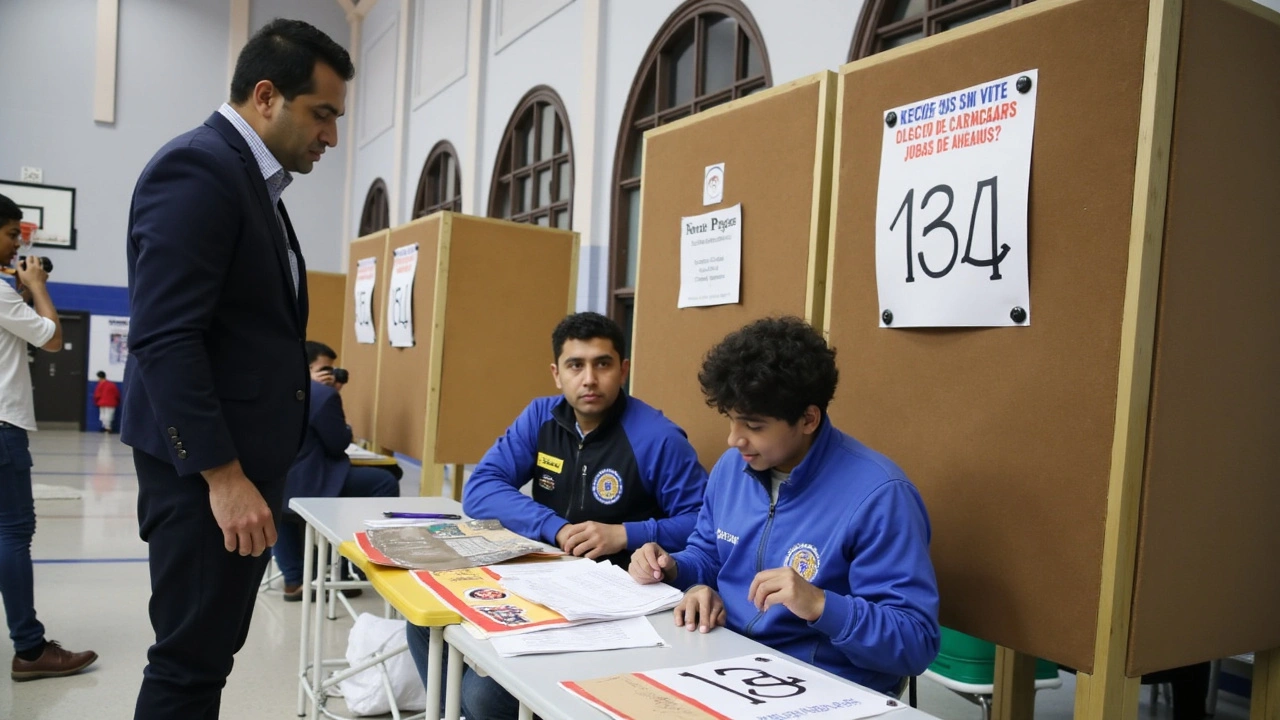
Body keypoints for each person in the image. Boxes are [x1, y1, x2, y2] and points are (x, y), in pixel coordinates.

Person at [120, 19, 352, 719]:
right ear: (265, 96)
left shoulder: (252, 184)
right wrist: (222, 476)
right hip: (208, 480)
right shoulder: (199, 168)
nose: (331, 137)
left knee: (208, 657)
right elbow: (164, 337)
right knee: (187, 664)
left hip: (241, 475)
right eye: (323, 114)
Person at [408, 311, 708, 720]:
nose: (589, 378)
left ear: (623, 370)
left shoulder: (658, 437)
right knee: (424, 624)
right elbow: (481, 488)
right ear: (556, 373)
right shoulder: (540, 416)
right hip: (545, 579)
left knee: (483, 697)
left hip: (621, 595)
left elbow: (704, 522)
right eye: (575, 365)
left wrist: (626, 534)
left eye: (602, 364)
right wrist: (555, 526)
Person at [629, 317, 940, 696]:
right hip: (727, 664)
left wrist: (819, 605)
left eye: (754, 426)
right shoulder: (733, 468)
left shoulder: (881, 495)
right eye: (731, 420)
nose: (734, 439)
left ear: (808, 419)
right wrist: (678, 571)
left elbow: (914, 643)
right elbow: (710, 555)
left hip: (822, 688)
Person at [0, 194, 98, 681]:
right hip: (2, 426)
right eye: (12, 234)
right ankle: (31, 649)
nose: (19, 244)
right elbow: (53, 338)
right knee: (13, 532)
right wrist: (37, 286)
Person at [275, 341, 398, 601]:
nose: (333, 374)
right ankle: (353, 568)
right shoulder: (322, 395)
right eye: (326, 369)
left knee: (281, 503)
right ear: (307, 368)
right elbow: (337, 443)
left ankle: (294, 578)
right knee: (384, 481)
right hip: (311, 484)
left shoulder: (273, 387)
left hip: (275, 483)